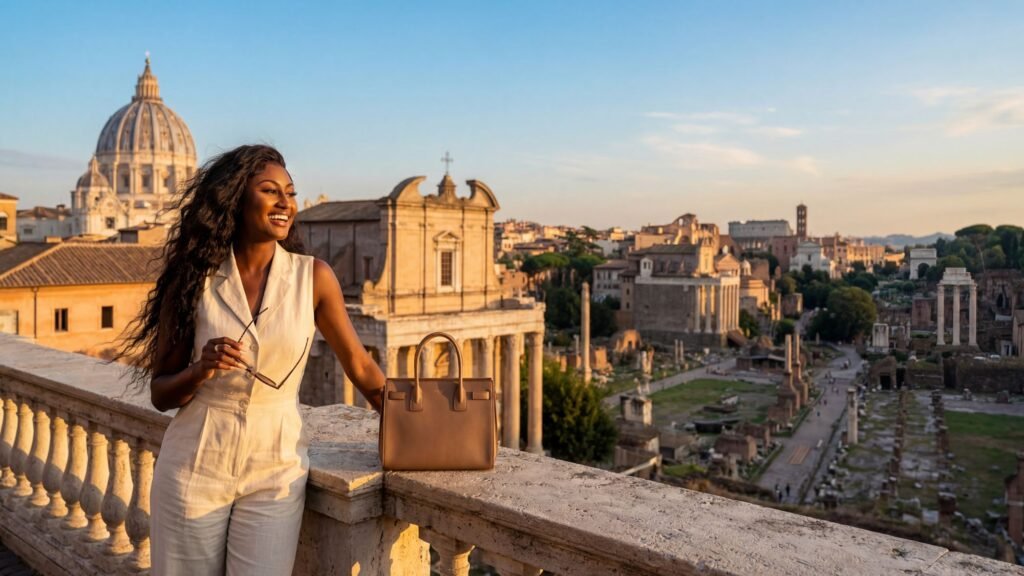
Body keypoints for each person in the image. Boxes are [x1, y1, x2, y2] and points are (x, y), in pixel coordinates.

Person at [119, 145, 385, 575]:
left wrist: (416, 424)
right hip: (195, 459)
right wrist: (201, 369)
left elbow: (360, 365)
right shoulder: (193, 280)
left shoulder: (313, 277)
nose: (285, 203)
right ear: (235, 199)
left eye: (290, 193)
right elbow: (160, 393)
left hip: (276, 467)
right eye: (269, 191)